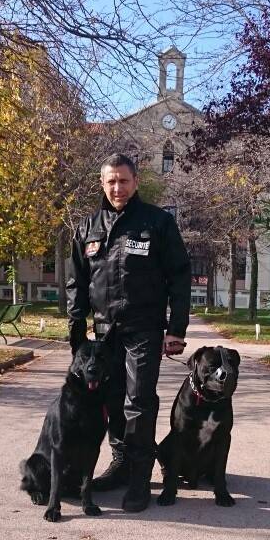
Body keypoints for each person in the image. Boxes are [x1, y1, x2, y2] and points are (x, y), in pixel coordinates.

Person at [66, 153, 191, 512]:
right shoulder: (88, 228)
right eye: (110, 181)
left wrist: (176, 328)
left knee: (138, 401)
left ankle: (139, 477)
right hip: (103, 334)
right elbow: (77, 282)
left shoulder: (157, 223)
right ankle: (120, 463)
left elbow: (179, 276)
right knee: (109, 399)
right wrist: (77, 334)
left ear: (135, 182)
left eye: (123, 180)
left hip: (144, 330)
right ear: (102, 184)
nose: (117, 187)